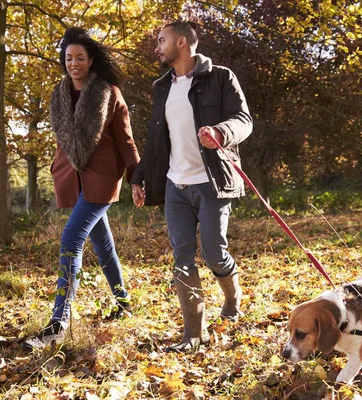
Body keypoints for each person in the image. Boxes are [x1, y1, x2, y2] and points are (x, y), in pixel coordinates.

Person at [130, 21, 253, 353]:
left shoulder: (220, 77)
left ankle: (232, 297)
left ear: (181, 43)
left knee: (214, 253)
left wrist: (221, 132)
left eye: (162, 40)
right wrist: (138, 177)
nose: (157, 47)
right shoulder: (162, 87)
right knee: (182, 258)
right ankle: (194, 336)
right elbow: (156, 140)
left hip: (212, 182)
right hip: (175, 185)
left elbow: (243, 120)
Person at [24, 27, 140, 350]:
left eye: (80, 58)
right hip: (72, 178)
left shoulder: (108, 92)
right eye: (68, 58)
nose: (73, 63)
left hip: (102, 179)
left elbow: (125, 140)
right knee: (103, 246)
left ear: (91, 61)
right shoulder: (58, 94)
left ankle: (57, 324)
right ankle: (124, 302)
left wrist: (136, 178)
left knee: (71, 239)